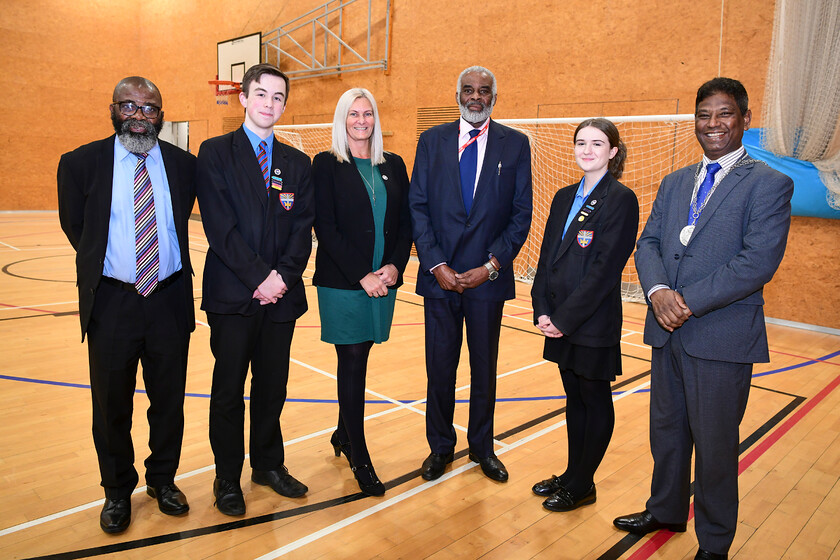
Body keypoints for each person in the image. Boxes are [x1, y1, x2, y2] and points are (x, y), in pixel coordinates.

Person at [613, 78, 793, 560]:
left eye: (725, 114)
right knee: (666, 432)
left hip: (721, 337)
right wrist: (655, 292)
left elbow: (757, 263)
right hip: (667, 332)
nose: (713, 124)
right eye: (704, 115)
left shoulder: (769, 184)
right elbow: (648, 242)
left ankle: (714, 544)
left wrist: (684, 301)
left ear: (745, 120)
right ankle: (666, 509)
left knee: (714, 450)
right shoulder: (675, 182)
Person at [57, 76, 196, 533]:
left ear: (161, 113)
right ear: (113, 109)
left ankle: (163, 479)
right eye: (129, 106)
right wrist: (117, 268)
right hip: (113, 302)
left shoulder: (183, 164)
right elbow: (77, 229)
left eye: (149, 107)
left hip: (169, 298)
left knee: (169, 401)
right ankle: (117, 491)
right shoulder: (80, 163)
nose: (139, 115)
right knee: (111, 405)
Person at [197, 63, 314, 516]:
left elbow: (302, 230)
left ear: (284, 104)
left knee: (272, 386)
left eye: (278, 97)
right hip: (234, 296)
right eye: (261, 95)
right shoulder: (214, 153)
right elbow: (219, 227)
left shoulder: (297, 163)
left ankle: (267, 464)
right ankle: (227, 477)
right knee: (228, 389)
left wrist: (282, 278)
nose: (269, 104)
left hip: (281, 298)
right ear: (243, 98)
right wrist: (258, 278)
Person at [409, 65, 532, 483]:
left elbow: (521, 214)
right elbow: (418, 206)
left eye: (483, 91)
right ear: (457, 94)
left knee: (484, 370)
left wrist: (491, 266)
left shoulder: (515, 145)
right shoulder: (431, 141)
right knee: (439, 370)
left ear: (494, 97)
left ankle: (483, 448)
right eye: (468, 90)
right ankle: (439, 448)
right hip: (439, 279)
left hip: (486, 282)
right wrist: (436, 263)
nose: (475, 97)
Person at [530, 118, 639, 511]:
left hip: (590, 322)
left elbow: (605, 270)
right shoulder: (563, 196)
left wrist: (563, 319)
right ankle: (572, 473)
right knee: (573, 397)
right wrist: (542, 308)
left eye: (597, 143)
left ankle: (584, 483)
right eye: (581, 142)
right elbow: (545, 260)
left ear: (612, 151)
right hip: (558, 319)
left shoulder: (621, 199)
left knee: (593, 397)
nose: (587, 149)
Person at [311, 88, 412, 496]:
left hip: (383, 280)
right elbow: (325, 226)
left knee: (361, 355)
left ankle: (341, 432)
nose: (361, 121)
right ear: (342, 119)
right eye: (353, 114)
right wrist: (361, 275)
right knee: (352, 360)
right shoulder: (326, 164)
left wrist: (395, 266)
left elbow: (406, 224)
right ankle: (360, 455)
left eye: (367, 113)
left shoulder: (394, 164)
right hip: (343, 283)